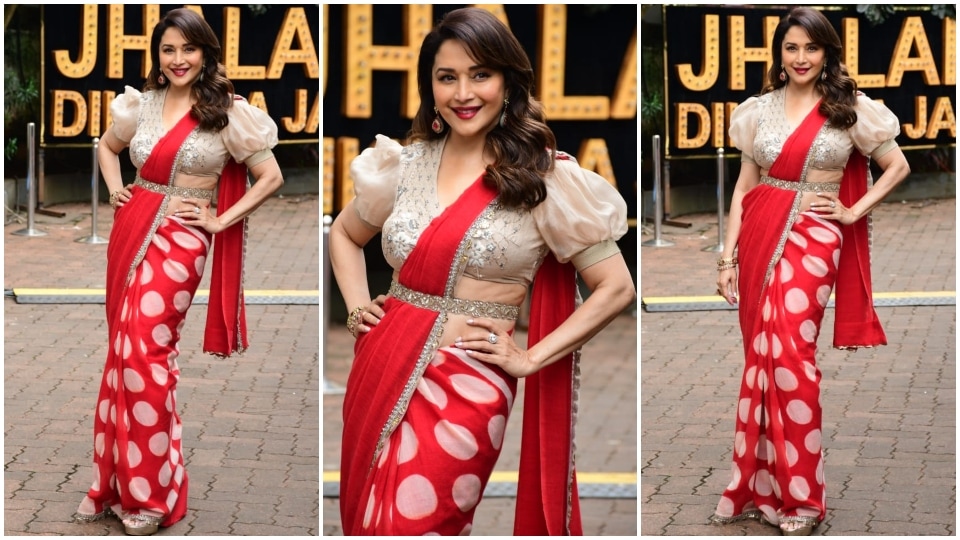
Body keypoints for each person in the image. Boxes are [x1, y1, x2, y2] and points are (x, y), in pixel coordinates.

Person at [329, 7, 636, 536]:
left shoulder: (543, 178)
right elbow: (344, 234)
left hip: (471, 381)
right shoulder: (405, 165)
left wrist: (531, 357)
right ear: (430, 86)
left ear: (509, 82)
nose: (463, 93)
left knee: (419, 523)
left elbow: (615, 287)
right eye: (447, 77)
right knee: (368, 520)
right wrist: (358, 308)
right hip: (384, 360)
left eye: (481, 75)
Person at [73, 8, 283, 536]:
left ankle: (151, 494)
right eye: (168, 50)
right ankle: (112, 484)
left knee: (147, 353)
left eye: (188, 49)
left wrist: (218, 220)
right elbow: (106, 146)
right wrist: (116, 186)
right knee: (122, 354)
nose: (178, 59)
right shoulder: (142, 105)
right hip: (132, 227)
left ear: (207, 53)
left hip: (181, 240)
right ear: (157, 57)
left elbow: (270, 176)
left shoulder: (228, 111)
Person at [709, 7, 910, 537]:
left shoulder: (849, 109)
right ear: (779, 53)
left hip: (815, 236)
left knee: (791, 358)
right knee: (760, 358)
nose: (801, 58)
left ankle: (802, 499)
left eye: (811, 48)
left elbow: (898, 166)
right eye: (792, 48)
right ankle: (757, 490)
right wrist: (725, 257)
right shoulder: (758, 111)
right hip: (758, 232)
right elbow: (744, 186)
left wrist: (851, 211)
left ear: (827, 53)